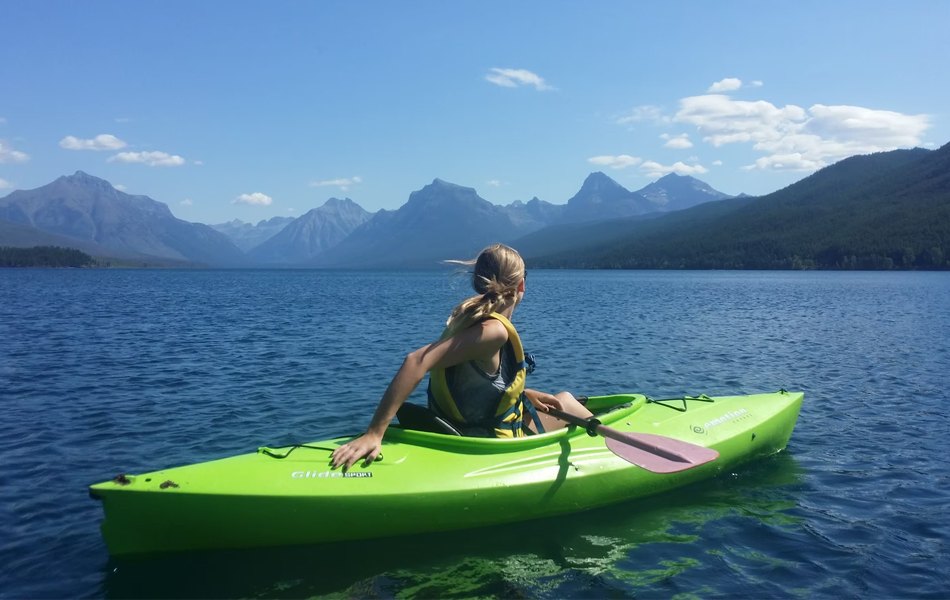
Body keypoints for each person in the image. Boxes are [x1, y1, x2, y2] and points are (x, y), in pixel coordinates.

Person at [330, 243, 593, 471]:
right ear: (521, 284)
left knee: (557, 402)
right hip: (485, 445)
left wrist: (524, 395)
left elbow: (474, 386)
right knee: (566, 401)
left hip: (463, 429)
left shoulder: (469, 318)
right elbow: (416, 361)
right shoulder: (495, 331)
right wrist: (374, 434)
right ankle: (613, 458)